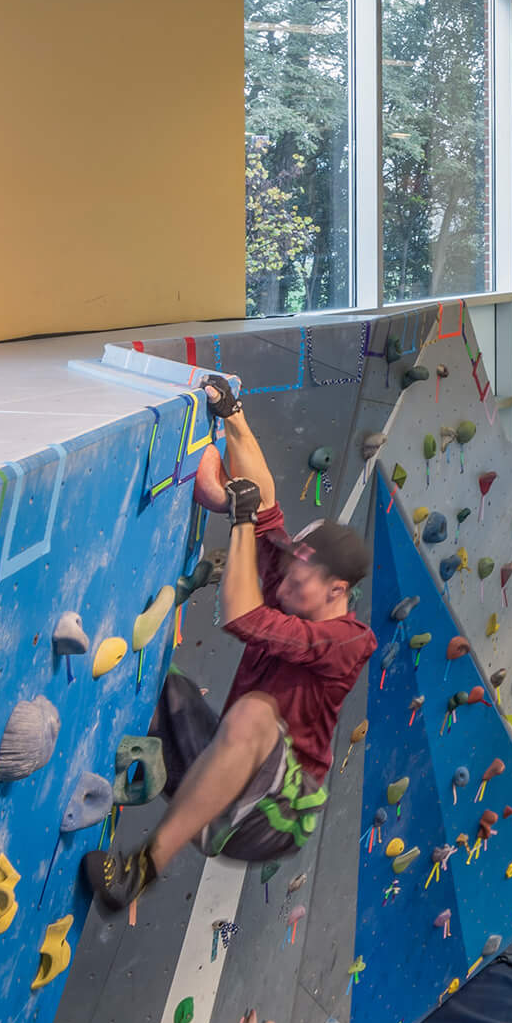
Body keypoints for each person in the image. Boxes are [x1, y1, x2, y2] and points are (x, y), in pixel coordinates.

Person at [83, 377, 376, 912]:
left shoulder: (348, 642)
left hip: (275, 818)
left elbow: (241, 616)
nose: (287, 580)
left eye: (302, 576)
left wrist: (239, 521)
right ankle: (146, 773)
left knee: (256, 716)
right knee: (158, 690)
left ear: (338, 591)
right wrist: (232, 413)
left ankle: (140, 872)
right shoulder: (300, 579)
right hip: (232, 768)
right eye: (292, 566)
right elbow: (266, 506)